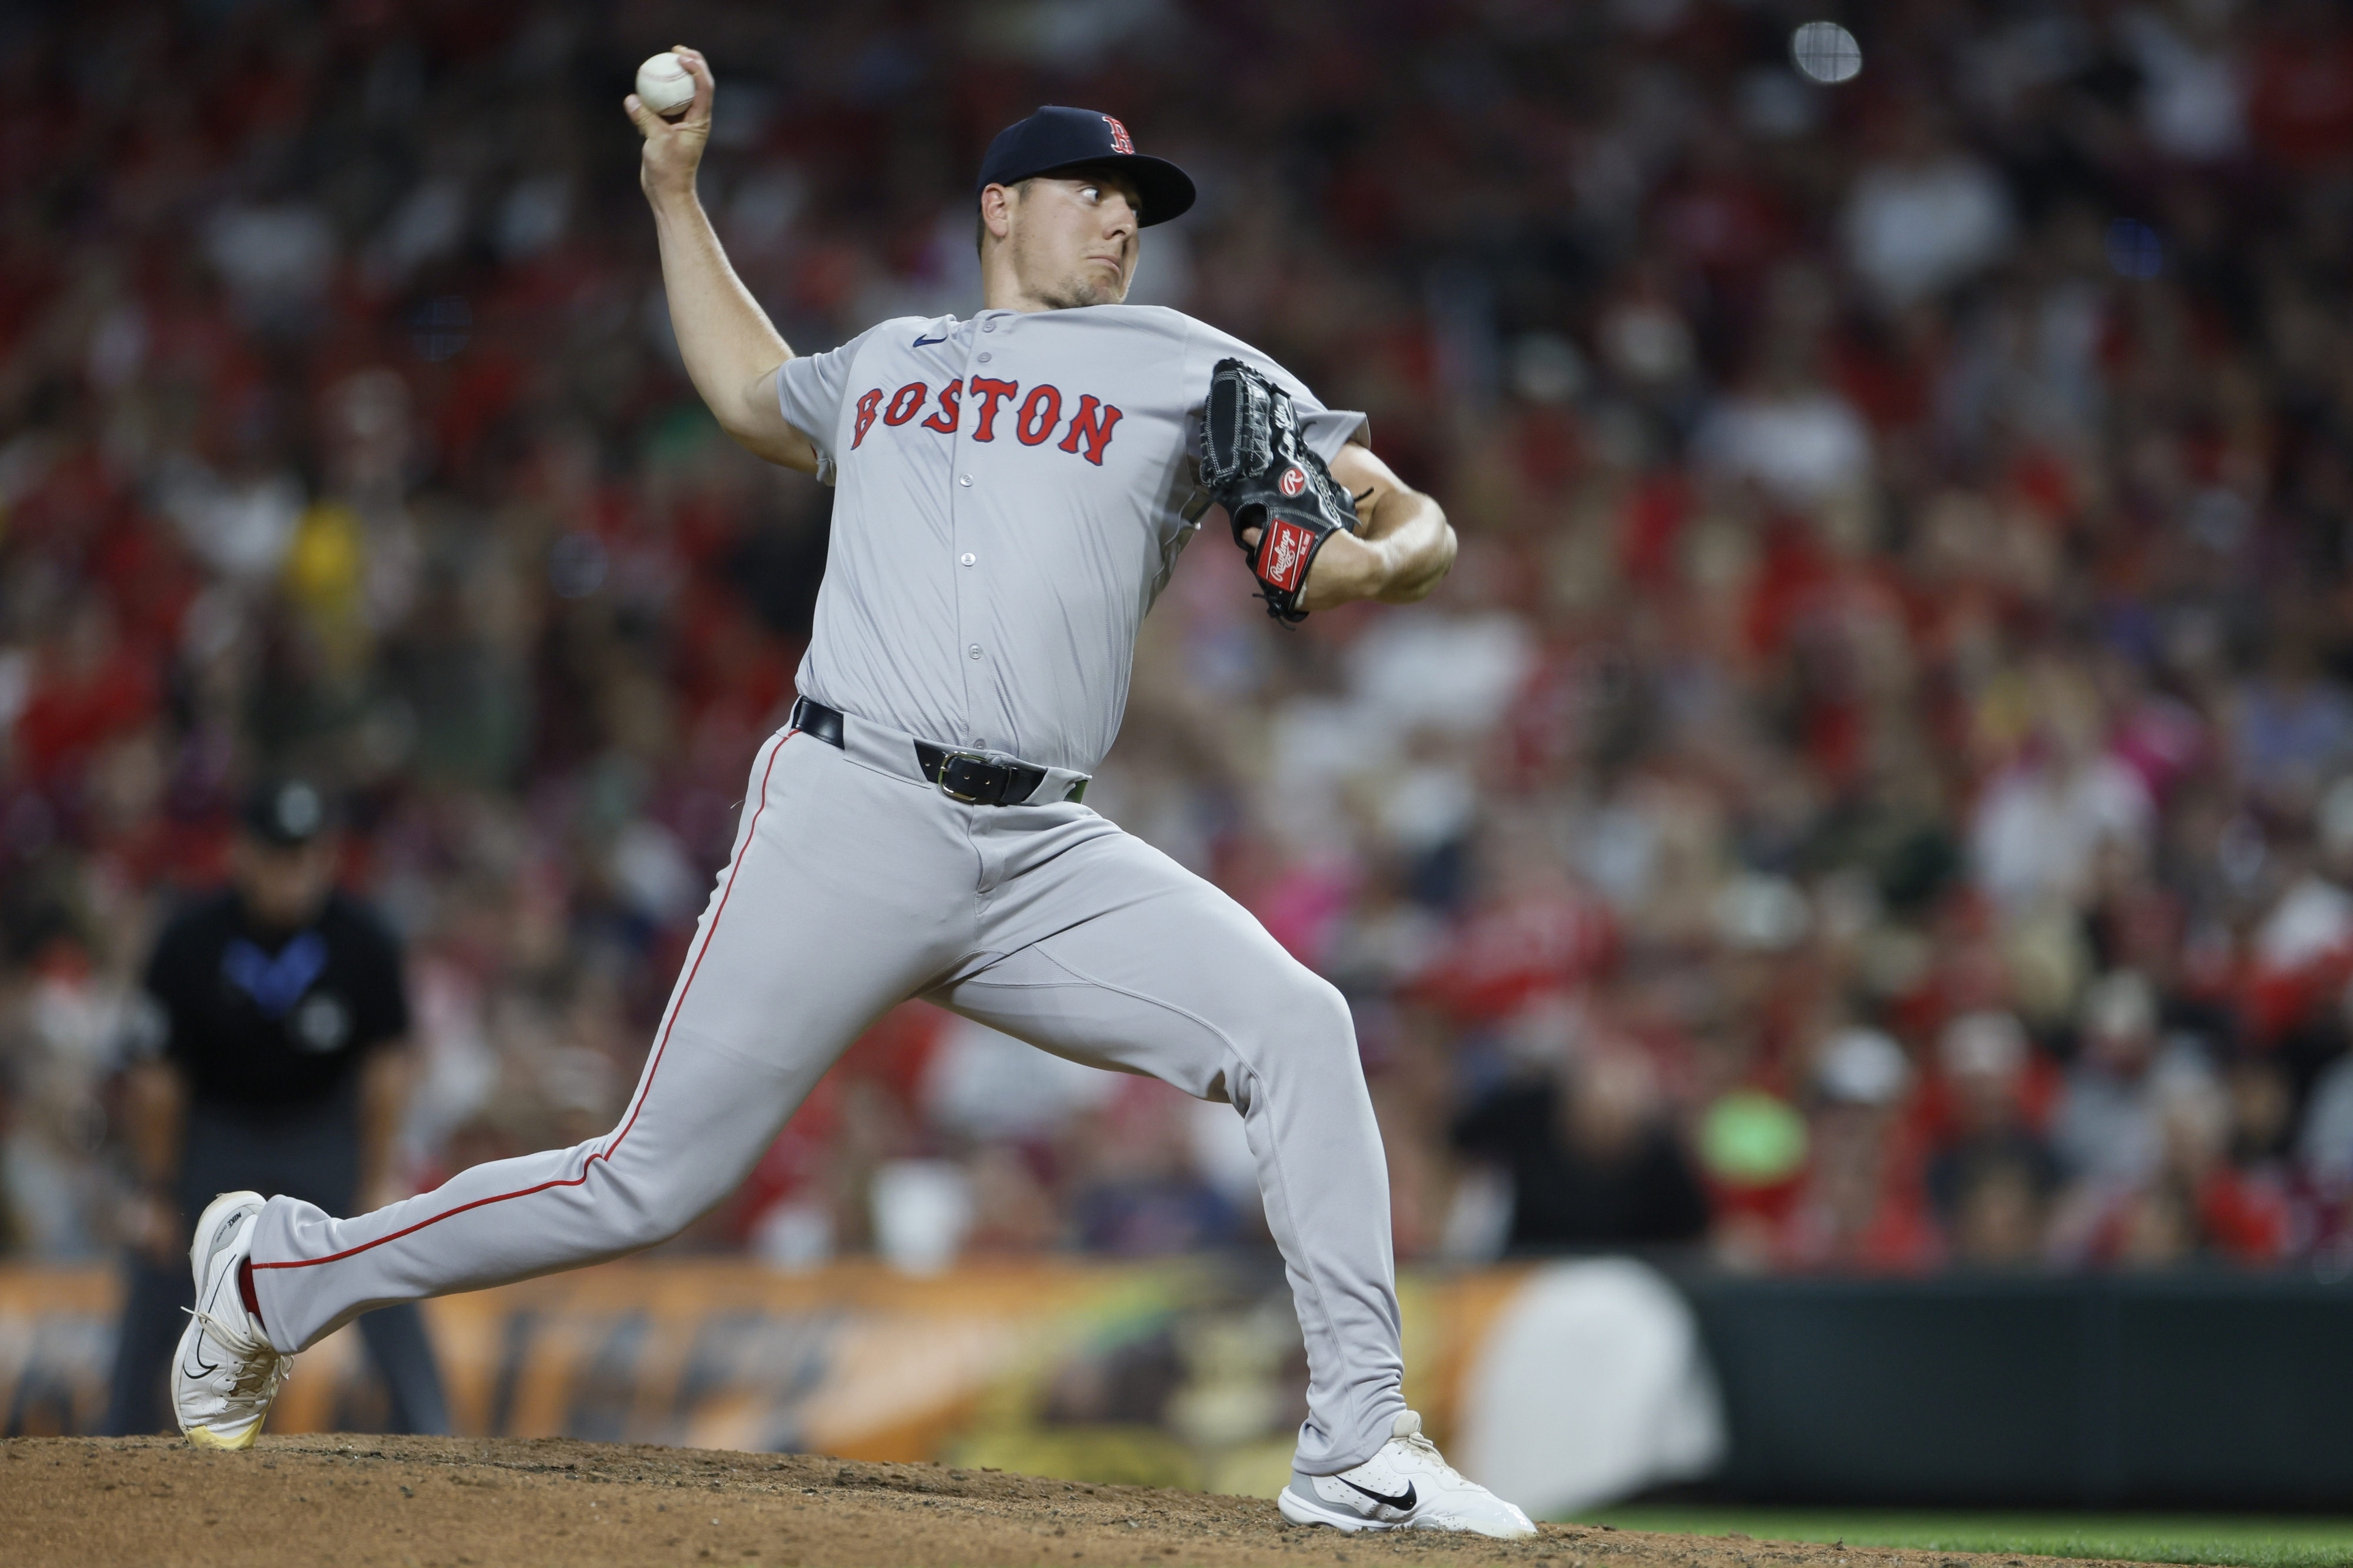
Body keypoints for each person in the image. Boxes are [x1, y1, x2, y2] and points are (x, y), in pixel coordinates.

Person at [170, 51, 1532, 1540]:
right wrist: (676, 196)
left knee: (1301, 1021)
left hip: (1038, 849)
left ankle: (1356, 1441)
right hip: (850, 804)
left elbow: (1334, 540)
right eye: (1093, 191)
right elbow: (755, 392)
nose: (1120, 221)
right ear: (1000, 206)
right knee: (646, 1180)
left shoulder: (1188, 359)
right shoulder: (891, 358)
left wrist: (1406, 550)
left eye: (1136, 202)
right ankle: (275, 1275)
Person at [107, 778, 446, 1437]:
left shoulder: (363, 938)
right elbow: (158, 1080)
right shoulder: (190, 940)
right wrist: (154, 1187)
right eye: (279, 854)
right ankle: (112, 1436)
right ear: (244, 854)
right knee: (159, 1254)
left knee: (383, 1251)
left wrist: (377, 1173)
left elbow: (387, 1071)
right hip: (218, 1131)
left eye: (307, 853)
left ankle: (432, 1431)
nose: (295, 871)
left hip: (322, 1130)